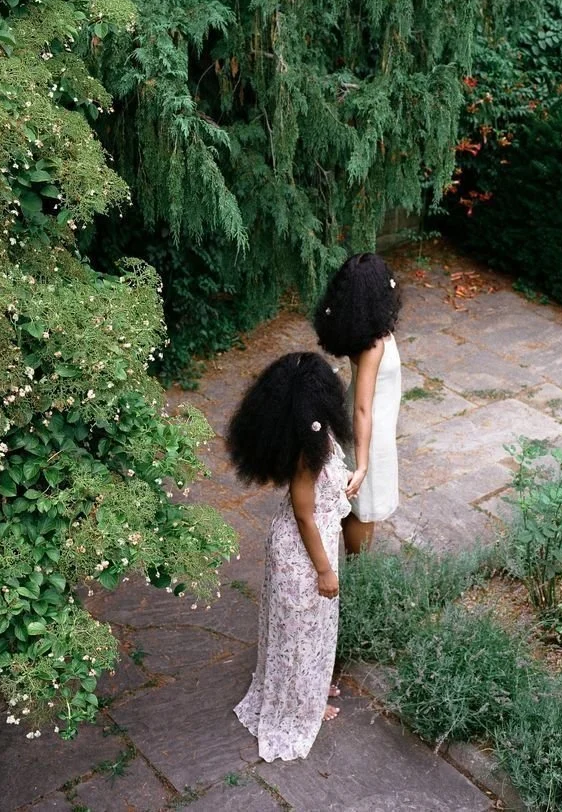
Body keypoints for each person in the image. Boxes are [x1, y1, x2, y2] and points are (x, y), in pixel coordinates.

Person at [227, 351, 352, 762]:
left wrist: (343, 486)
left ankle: (309, 693)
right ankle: (299, 712)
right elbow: (303, 513)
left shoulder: (315, 432)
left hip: (311, 545)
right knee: (300, 638)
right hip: (303, 556)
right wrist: (324, 570)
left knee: (308, 636)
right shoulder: (306, 451)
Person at [313, 252, 401, 555]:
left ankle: (353, 569)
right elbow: (363, 408)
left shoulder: (361, 330)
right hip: (369, 432)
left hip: (371, 424)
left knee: (357, 504)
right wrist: (363, 464)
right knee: (363, 507)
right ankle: (357, 571)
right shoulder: (373, 344)